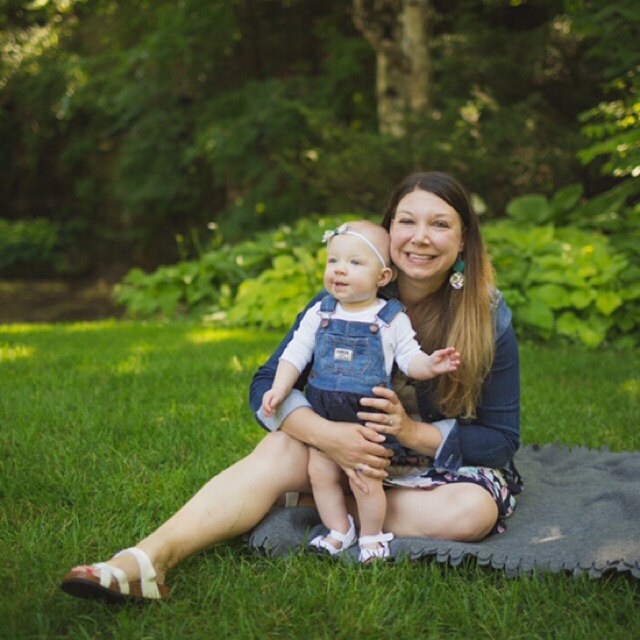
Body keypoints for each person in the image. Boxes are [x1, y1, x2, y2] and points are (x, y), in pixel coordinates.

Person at [60, 171, 521, 604]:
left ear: (463, 240)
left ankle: (313, 504)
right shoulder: (346, 295)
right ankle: (146, 560)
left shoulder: (487, 316)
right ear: (387, 232)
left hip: (435, 470)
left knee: (470, 514)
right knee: (281, 447)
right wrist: (327, 436)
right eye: (407, 221)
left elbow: (501, 440)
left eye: (439, 224)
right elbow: (266, 383)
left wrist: (411, 432)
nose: (420, 237)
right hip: (336, 449)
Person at [260, 219, 461, 562]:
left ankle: (372, 534)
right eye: (333, 261)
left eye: (354, 263)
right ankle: (339, 529)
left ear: (382, 277)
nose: (339, 270)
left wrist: (431, 365)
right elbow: (294, 353)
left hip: (369, 416)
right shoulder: (319, 312)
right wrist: (280, 389)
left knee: (365, 480)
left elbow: (409, 357)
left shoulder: (390, 318)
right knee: (320, 474)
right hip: (325, 414)